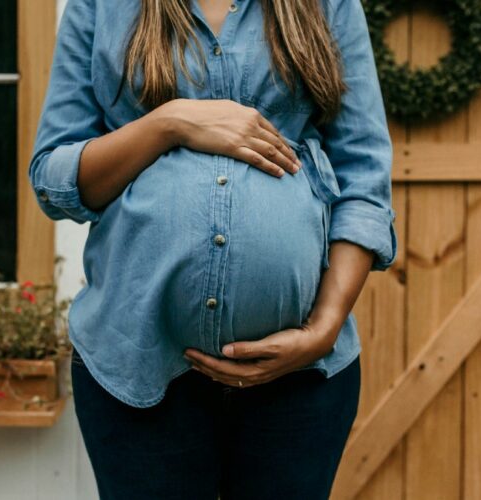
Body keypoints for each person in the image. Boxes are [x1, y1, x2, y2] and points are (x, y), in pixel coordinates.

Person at [28, 0, 397, 498]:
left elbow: (364, 176)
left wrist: (324, 328)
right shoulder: (101, 7)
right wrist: (170, 122)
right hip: (136, 367)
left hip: (299, 378)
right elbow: (54, 179)